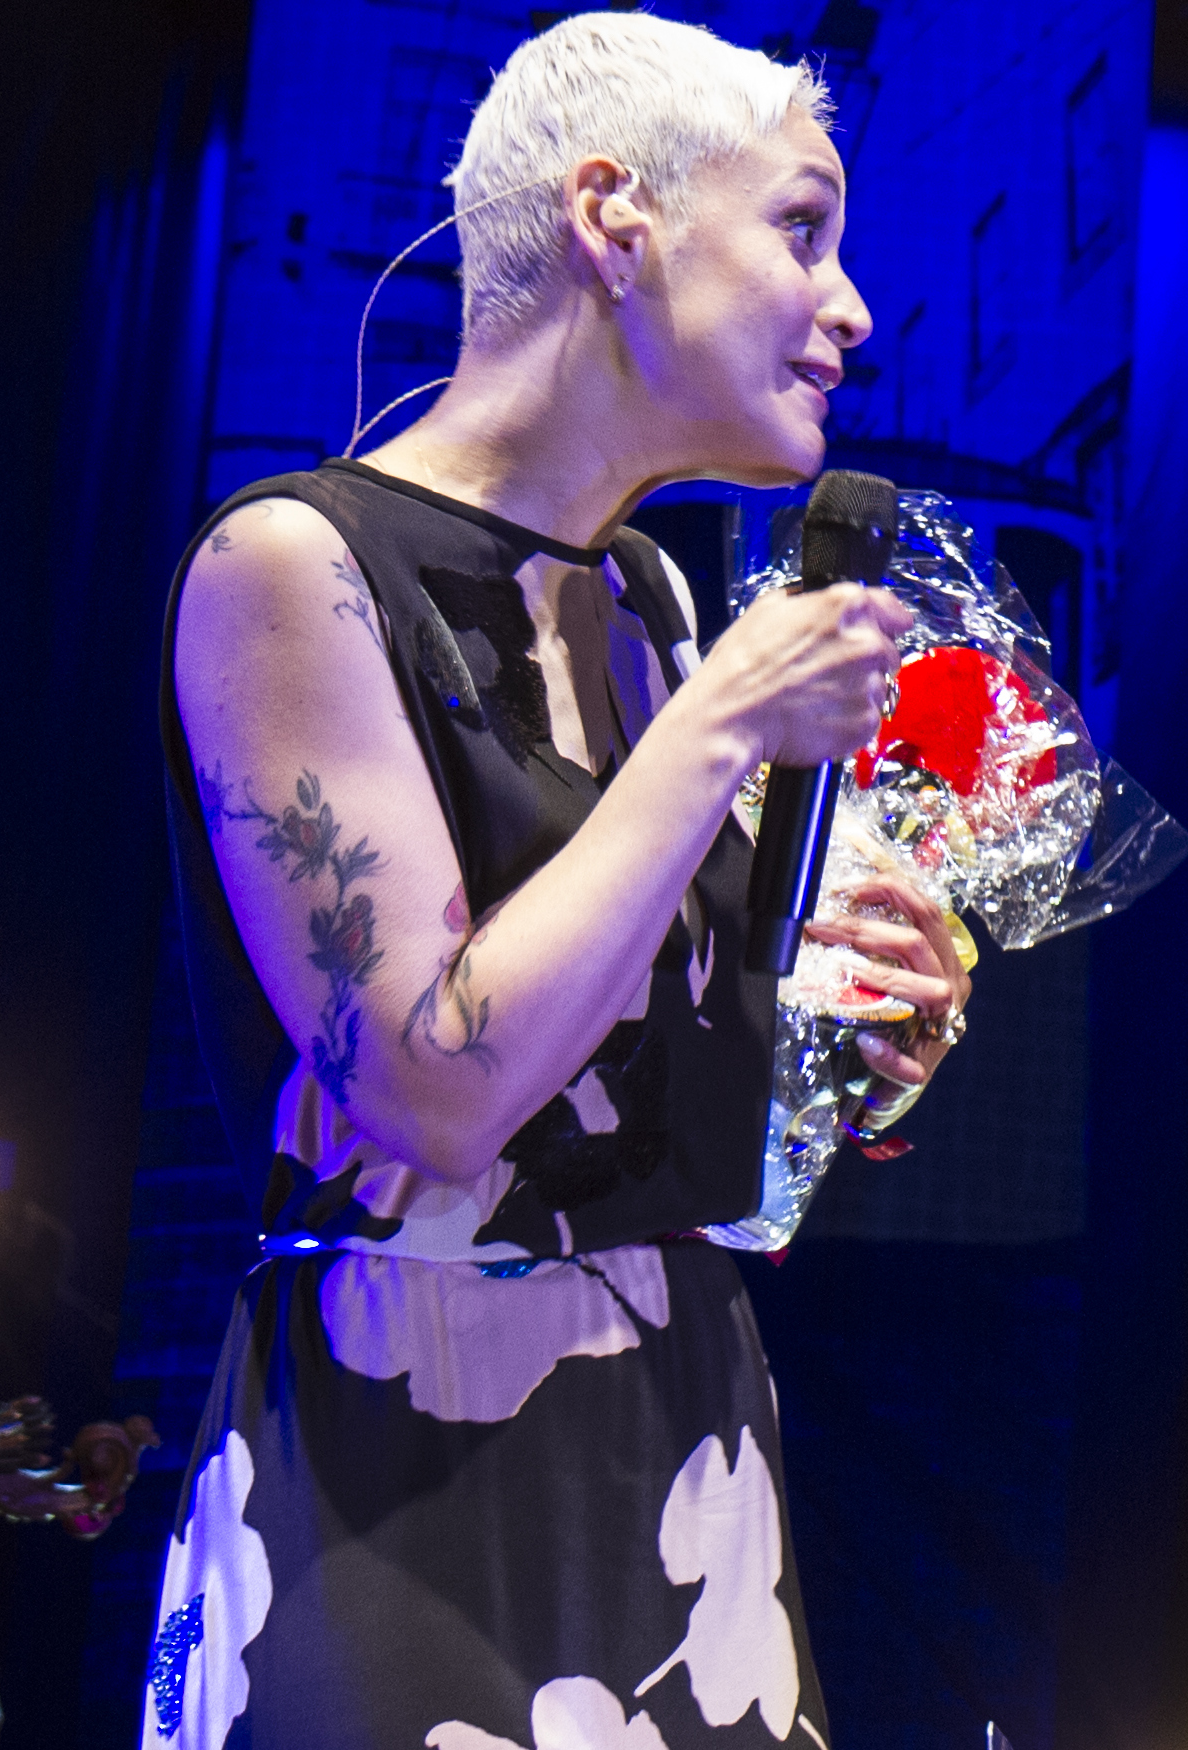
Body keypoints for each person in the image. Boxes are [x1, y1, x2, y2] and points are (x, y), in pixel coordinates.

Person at [144, 16, 966, 1747]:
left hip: (674, 1411)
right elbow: (436, 1090)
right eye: (802, 230)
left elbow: (651, 1074)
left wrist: (858, 1030)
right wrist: (726, 720)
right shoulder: (293, 563)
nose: (853, 310)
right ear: (616, 217)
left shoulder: (651, 602)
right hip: (403, 1438)